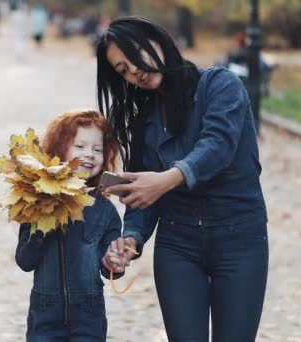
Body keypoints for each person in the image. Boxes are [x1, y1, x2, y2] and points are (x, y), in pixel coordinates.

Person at [96, 17, 269, 341]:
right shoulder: (145, 119)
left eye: (135, 55)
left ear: (158, 41)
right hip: (178, 245)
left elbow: (217, 146)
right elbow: (142, 194)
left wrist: (165, 180)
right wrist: (131, 239)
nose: (133, 70)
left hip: (239, 238)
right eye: (122, 70)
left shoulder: (220, 85)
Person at [16, 109, 123, 341]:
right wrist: (43, 225)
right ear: (59, 149)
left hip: (89, 315)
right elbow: (25, 261)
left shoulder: (104, 209)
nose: (90, 155)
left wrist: (115, 263)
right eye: (80, 146)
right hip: (45, 316)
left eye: (97, 149)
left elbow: (109, 268)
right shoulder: (36, 202)